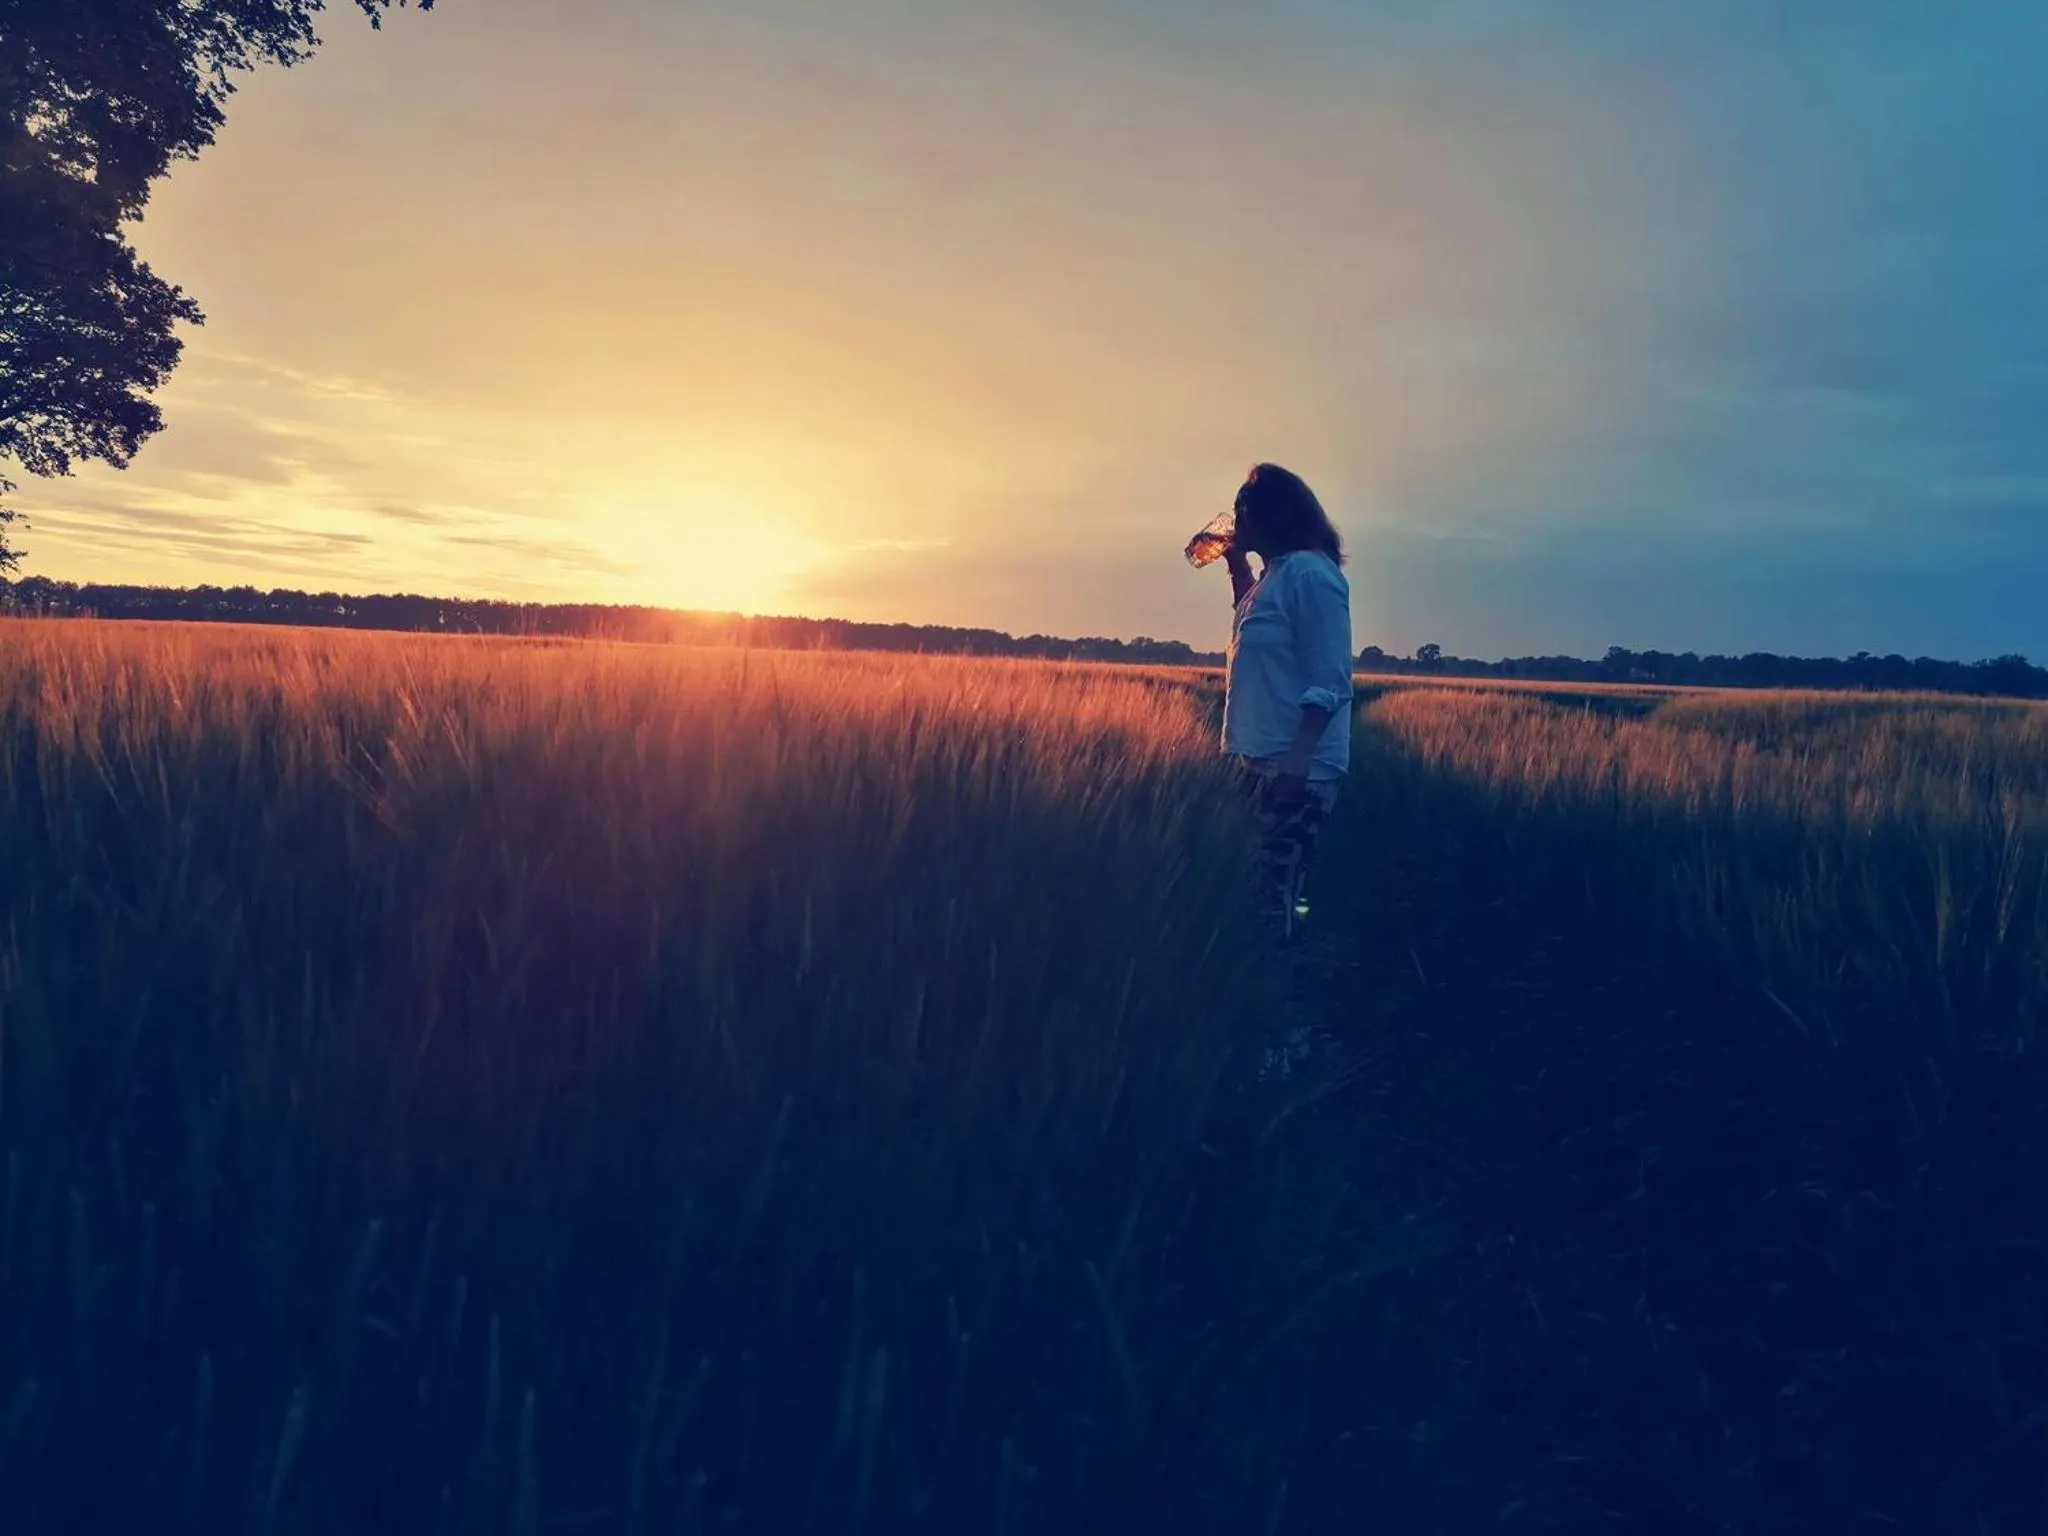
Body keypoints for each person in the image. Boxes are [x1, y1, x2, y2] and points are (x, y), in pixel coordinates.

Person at [1215, 463, 1353, 955]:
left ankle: (1281, 1010)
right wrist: (1236, 566)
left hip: (1295, 767)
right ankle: (1273, 1005)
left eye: (1240, 510)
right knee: (1259, 888)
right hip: (1260, 761)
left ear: (1268, 514)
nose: (1234, 519)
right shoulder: (1277, 574)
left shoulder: (1312, 575)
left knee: (1272, 894)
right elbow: (1253, 622)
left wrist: (1298, 760)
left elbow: (1331, 677)